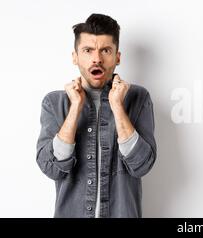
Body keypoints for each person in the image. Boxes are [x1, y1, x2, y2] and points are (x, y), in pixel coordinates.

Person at [36, 13, 157, 218]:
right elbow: (52, 168)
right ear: (75, 57)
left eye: (106, 50)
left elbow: (142, 165)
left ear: (117, 57)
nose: (97, 59)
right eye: (88, 50)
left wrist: (117, 107)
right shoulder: (54, 103)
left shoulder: (139, 98)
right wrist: (75, 107)